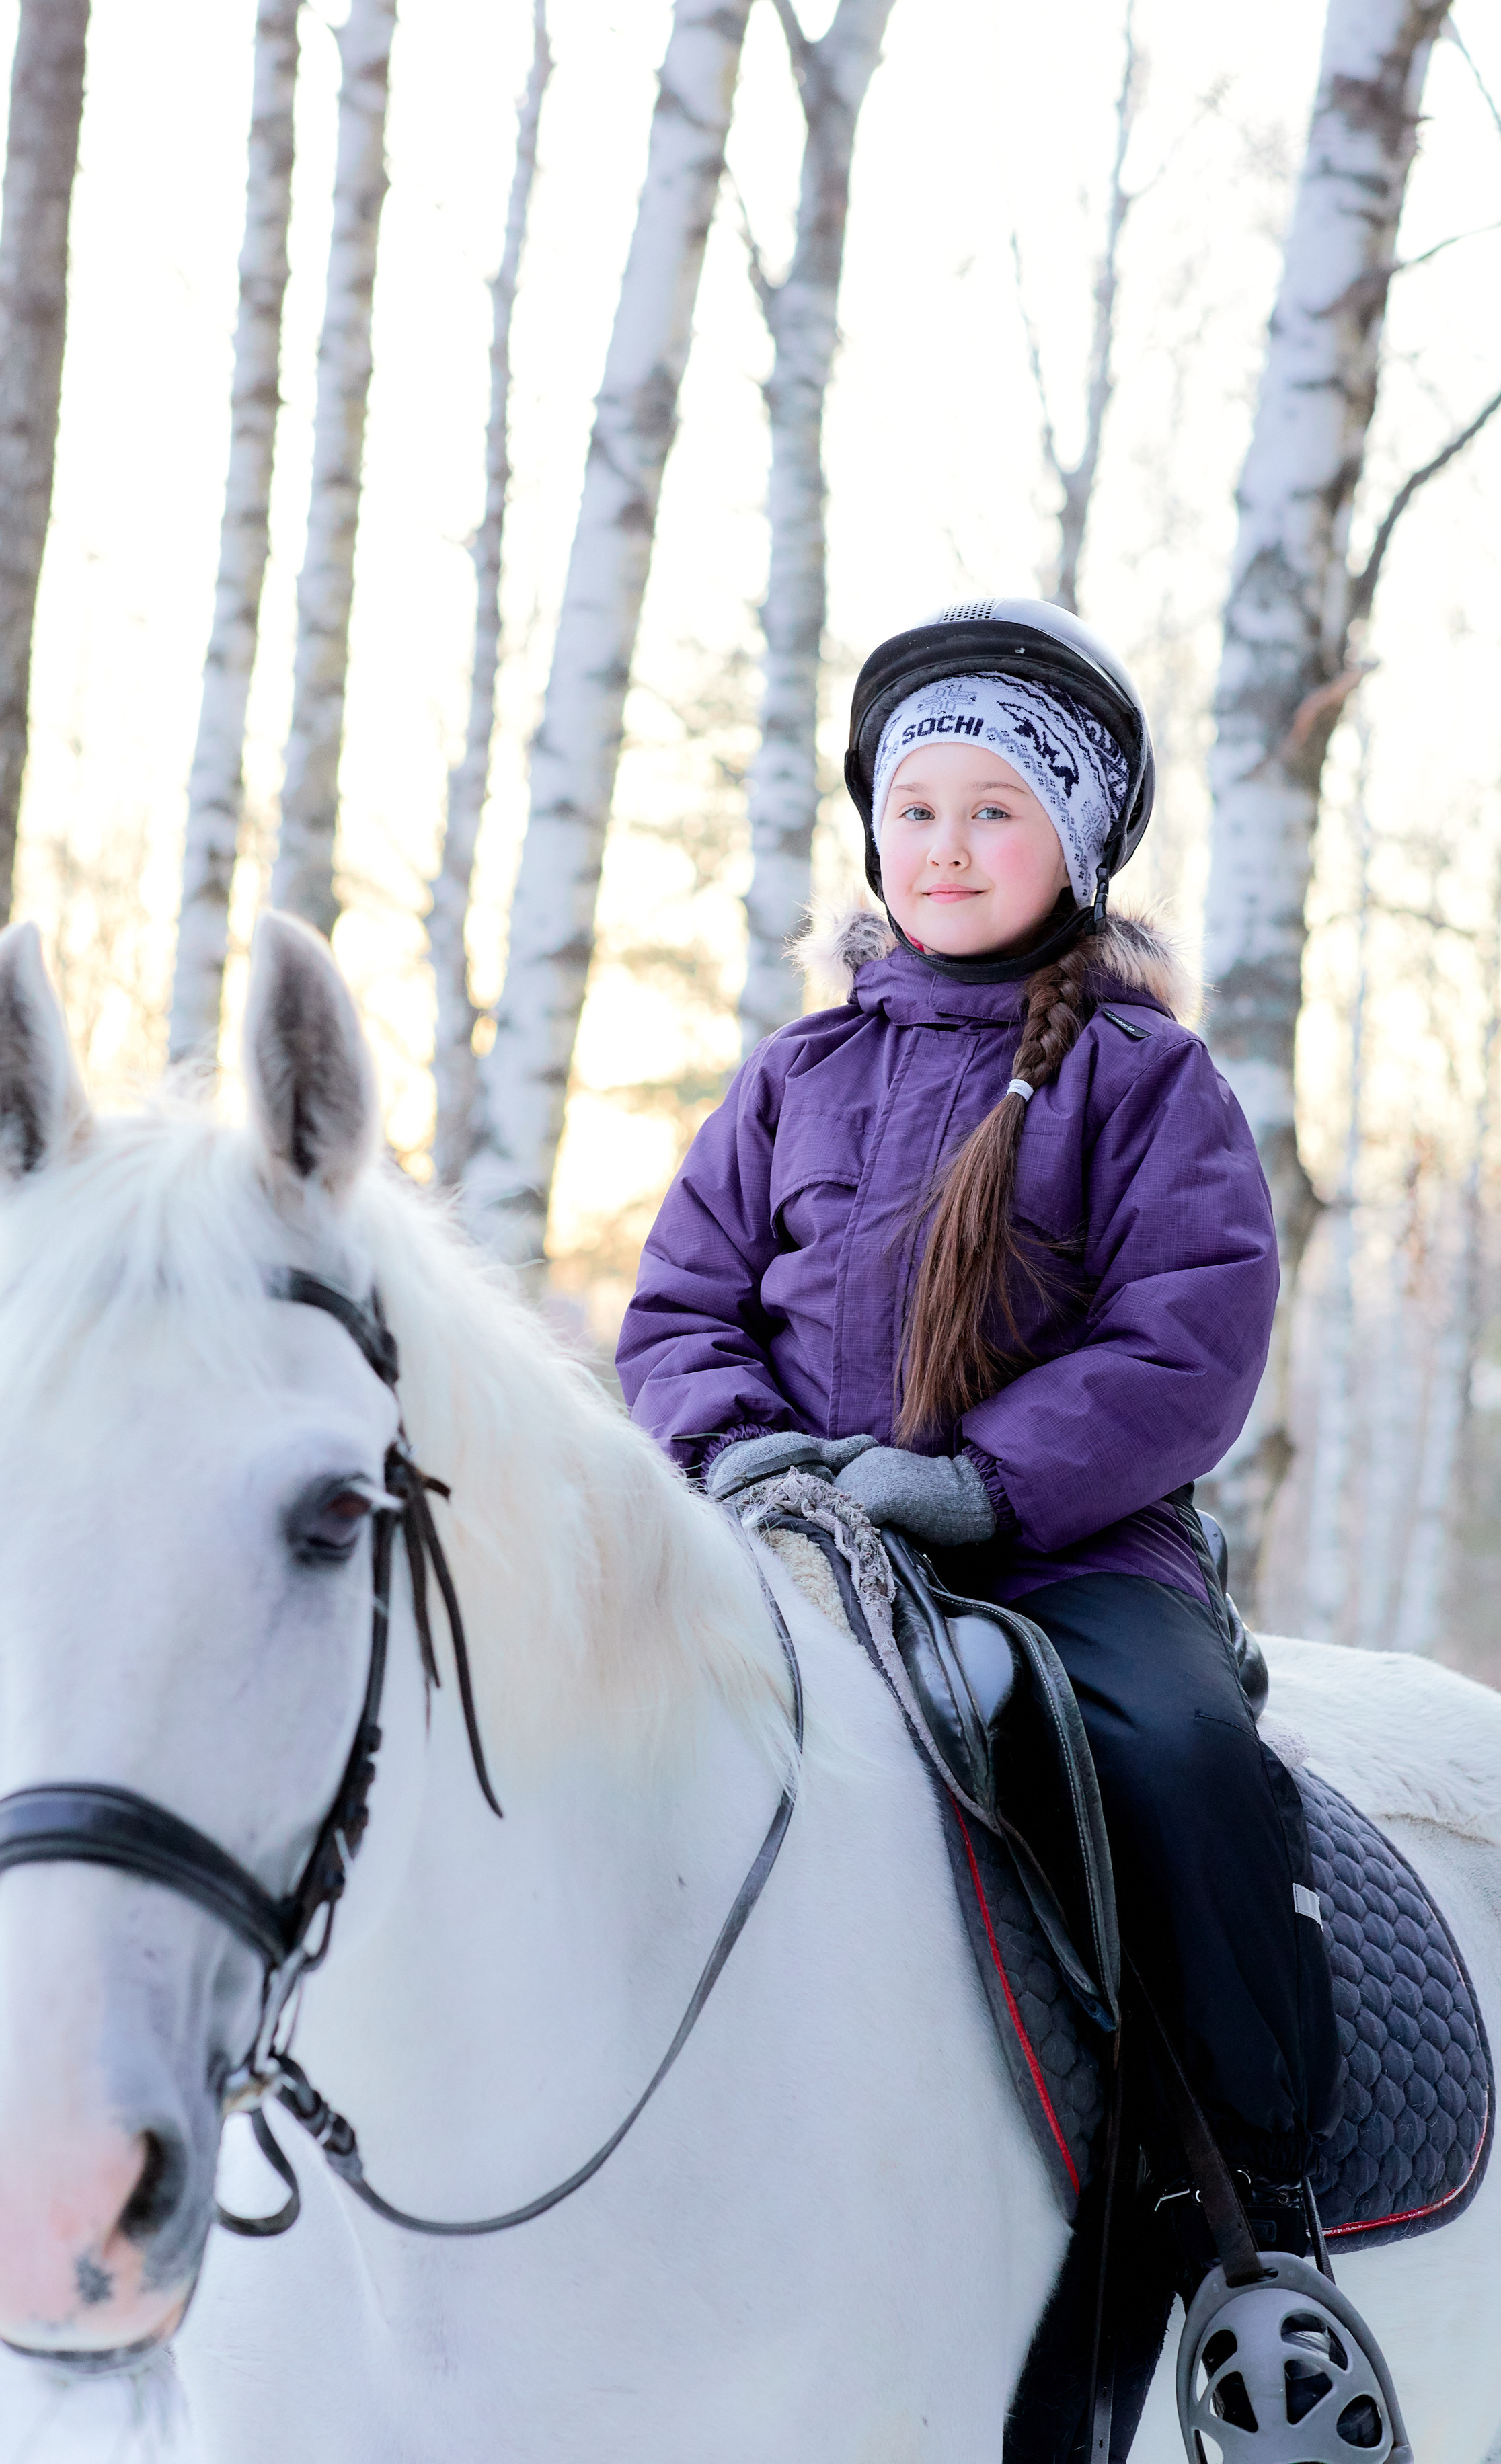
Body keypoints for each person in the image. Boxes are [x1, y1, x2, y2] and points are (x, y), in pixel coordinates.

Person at [615, 598, 1344, 2455]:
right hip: (793, 1547)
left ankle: (1259, 2226)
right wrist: (748, 1456)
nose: (945, 847)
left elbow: (1189, 1334)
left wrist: (984, 1479)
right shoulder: (793, 1077)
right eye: (914, 810)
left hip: (1072, 1551)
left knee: (1183, 1754)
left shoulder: (1142, 1077)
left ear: (1075, 849)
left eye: (994, 812)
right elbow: (681, 1314)